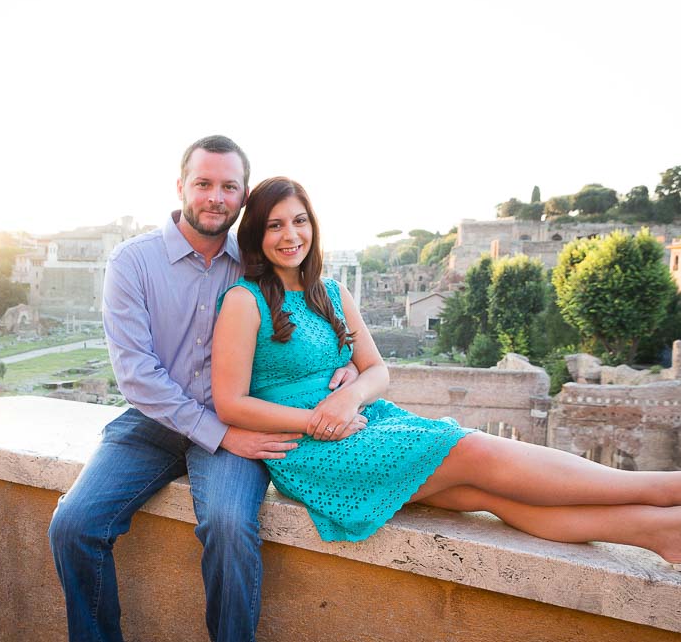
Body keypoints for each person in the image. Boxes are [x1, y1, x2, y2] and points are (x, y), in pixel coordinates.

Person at [212, 176, 681, 563]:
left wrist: (348, 397)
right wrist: (321, 420)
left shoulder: (332, 292)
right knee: (473, 449)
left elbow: (376, 370)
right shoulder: (243, 300)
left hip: (364, 420)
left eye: (299, 221)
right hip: (309, 451)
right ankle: (662, 490)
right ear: (255, 235)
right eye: (274, 226)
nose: (290, 235)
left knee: (487, 496)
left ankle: (659, 530)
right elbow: (230, 402)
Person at [48, 138, 358, 642]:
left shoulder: (259, 264)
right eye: (204, 184)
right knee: (73, 525)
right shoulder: (133, 262)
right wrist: (220, 432)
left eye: (229, 187)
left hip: (238, 420)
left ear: (242, 197)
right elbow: (136, 375)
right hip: (157, 423)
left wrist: (344, 363)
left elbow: (315, 319)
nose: (216, 197)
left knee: (231, 527)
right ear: (181, 186)